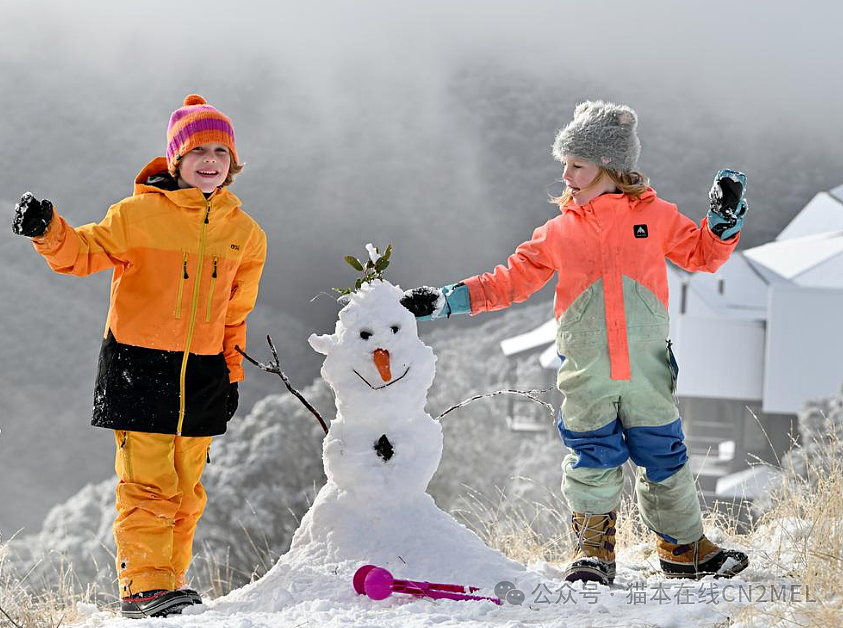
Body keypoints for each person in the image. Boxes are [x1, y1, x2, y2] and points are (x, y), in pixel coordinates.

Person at [401, 100, 749, 585]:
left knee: (665, 454)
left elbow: (702, 254)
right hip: (587, 371)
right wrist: (445, 301)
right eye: (564, 164)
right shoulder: (559, 232)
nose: (565, 174)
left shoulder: (656, 216)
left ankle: (683, 547)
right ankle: (593, 553)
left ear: (609, 167)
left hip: (648, 368)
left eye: (576, 165)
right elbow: (509, 282)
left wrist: (724, 218)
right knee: (592, 455)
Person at [11, 94, 267, 617]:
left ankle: (168, 587)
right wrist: (48, 231)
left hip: (202, 374)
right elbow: (81, 253)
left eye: (221, 150)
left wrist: (232, 376)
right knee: (148, 484)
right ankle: (143, 589)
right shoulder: (137, 215)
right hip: (138, 367)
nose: (211, 160)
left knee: (187, 490)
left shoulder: (247, 235)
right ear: (176, 160)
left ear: (233, 164)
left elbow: (235, 316)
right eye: (198, 150)